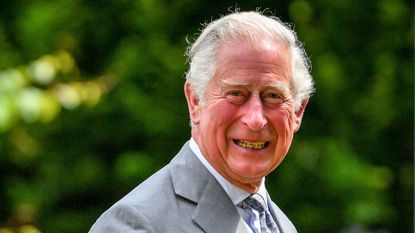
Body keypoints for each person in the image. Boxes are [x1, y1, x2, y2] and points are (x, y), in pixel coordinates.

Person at [90, 10, 314, 233]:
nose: (255, 119)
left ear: (298, 111)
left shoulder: (282, 226)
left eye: (273, 96)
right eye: (236, 93)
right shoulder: (134, 223)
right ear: (195, 101)